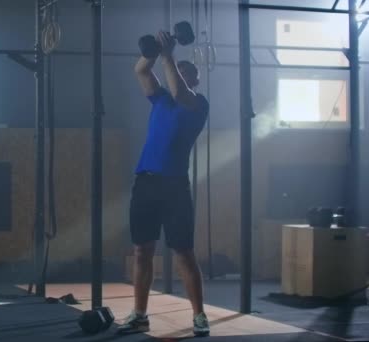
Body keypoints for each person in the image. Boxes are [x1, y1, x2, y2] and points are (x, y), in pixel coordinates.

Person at [117, 31, 210, 337]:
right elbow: (141, 70)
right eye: (178, 72)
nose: (180, 77)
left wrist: (169, 55)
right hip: (146, 183)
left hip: (175, 187)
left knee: (183, 251)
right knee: (142, 250)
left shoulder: (197, 104)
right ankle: (140, 315)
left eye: (186, 75)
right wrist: (154, 51)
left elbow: (180, 93)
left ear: (193, 81)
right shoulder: (159, 100)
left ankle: (199, 316)